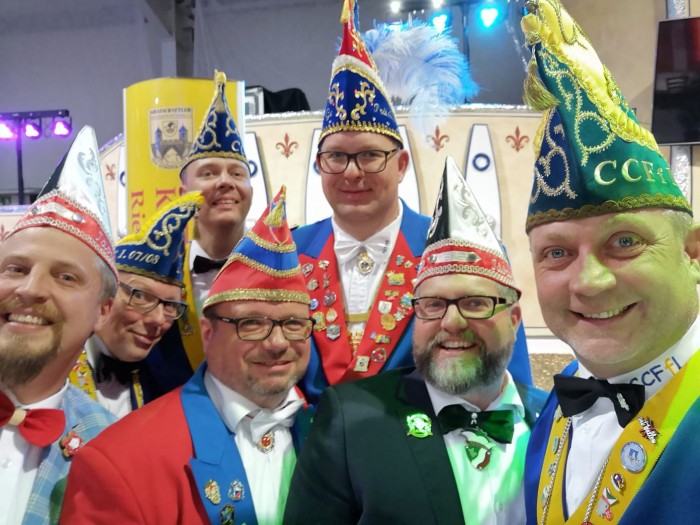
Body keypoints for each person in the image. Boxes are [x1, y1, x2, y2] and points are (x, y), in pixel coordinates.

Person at [292, 0, 532, 405]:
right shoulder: (287, 254)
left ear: (401, 164)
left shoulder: (463, 247)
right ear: (319, 165)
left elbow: (510, 385)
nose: (352, 172)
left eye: (370, 155)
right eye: (336, 157)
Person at [285, 157, 546, 524]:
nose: (451, 322)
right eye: (433, 304)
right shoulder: (350, 424)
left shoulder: (559, 418)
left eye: (475, 303)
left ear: (514, 319)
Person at [520, 1, 700, 523]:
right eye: (557, 253)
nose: (590, 282)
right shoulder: (559, 401)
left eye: (624, 242)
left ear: (692, 253)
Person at [61, 186, 314, 525]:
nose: (278, 342)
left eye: (294, 324)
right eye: (252, 324)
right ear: (208, 334)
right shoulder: (120, 457)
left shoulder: (336, 435)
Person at [0, 126, 118, 524]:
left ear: (103, 311)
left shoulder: (117, 450)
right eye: (16, 269)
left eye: (65, 277)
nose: (30, 289)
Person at [149, 69, 253, 393]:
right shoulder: (156, 276)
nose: (225, 181)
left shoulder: (279, 268)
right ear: (184, 193)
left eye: (237, 173)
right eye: (209, 173)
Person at [68, 193, 202, 418]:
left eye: (170, 305)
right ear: (103, 292)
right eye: (141, 296)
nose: (158, 320)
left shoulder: (164, 382)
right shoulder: (48, 365)